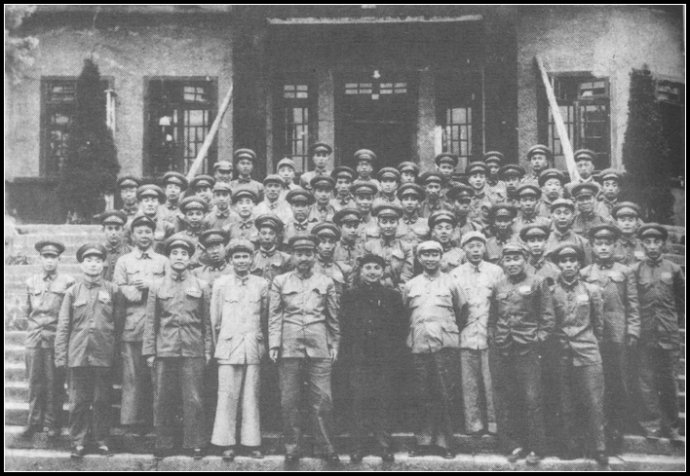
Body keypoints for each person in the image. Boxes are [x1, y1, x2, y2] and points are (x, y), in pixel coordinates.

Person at [269, 235, 341, 464]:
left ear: (315, 255)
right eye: (299, 254)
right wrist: (274, 344)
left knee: (323, 399)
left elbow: (333, 317)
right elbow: (274, 316)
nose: (304, 258)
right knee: (289, 400)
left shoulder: (326, 282)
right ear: (293, 256)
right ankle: (292, 447)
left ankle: (326, 446)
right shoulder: (280, 281)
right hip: (289, 346)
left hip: (319, 346)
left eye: (308, 254)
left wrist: (334, 343)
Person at [143, 236, 212, 460]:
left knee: (194, 398)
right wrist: (150, 351)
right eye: (175, 253)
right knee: (163, 397)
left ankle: (196, 442)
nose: (179, 257)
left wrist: (208, 349)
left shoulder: (201, 286)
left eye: (184, 253)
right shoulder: (157, 286)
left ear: (189, 257)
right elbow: (151, 322)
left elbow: (207, 322)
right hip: (165, 349)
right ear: (169, 257)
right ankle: (164, 442)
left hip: (193, 349)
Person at [55, 244, 124, 459]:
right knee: (78, 401)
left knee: (102, 399)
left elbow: (119, 325)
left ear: (103, 263)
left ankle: (102, 440)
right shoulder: (72, 292)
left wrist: (116, 354)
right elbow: (64, 325)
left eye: (97, 260)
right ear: (81, 264)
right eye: (88, 260)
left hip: (103, 354)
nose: (93, 264)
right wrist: (61, 355)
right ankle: (78, 441)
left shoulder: (113, 290)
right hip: (78, 354)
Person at [489, 243, 553, 465]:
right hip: (505, 349)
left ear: (525, 259)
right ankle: (515, 445)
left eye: (517, 258)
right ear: (503, 262)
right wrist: (497, 341)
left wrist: (538, 340)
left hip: (528, 349)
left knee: (532, 398)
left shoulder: (537, 282)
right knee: (510, 398)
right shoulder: (498, 286)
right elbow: (493, 319)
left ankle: (537, 447)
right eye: (508, 259)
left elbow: (547, 318)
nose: (513, 263)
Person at [404, 240, 468, 459]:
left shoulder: (452, 283)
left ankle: (445, 443)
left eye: (434, 254)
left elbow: (462, 312)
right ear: (419, 258)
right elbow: (406, 314)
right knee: (421, 394)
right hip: (419, 345)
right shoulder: (411, 285)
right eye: (425, 254)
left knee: (444, 394)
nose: (430, 258)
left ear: (441, 257)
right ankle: (422, 442)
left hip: (444, 346)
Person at [341, 254, 406, 463]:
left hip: (384, 357)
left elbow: (400, 327)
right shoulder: (350, 295)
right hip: (358, 357)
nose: (372, 272)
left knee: (383, 400)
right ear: (360, 271)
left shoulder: (392, 296)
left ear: (382, 271)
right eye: (367, 268)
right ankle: (358, 446)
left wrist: (393, 353)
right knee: (358, 401)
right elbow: (344, 327)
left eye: (376, 268)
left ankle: (383, 445)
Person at [581, 224, 640, 453]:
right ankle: (597, 432)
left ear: (615, 245)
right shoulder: (585, 273)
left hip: (618, 335)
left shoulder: (625, 272)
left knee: (618, 383)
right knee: (596, 385)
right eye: (599, 244)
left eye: (608, 243)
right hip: (594, 336)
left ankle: (616, 431)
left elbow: (633, 304)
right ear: (593, 247)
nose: (603, 247)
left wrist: (633, 330)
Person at [210, 239, 270, 460]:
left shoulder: (261, 284)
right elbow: (214, 318)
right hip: (228, 346)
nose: (242, 260)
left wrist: (260, 342)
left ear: (252, 259)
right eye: (237, 257)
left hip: (253, 346)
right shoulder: (221, 284)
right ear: (230, 259)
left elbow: (265, 317)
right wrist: (219, 345)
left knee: (251, 397)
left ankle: (251, 442)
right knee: (227, 396)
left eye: (246, 256)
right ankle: (226, 442)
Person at [550, 244, 608, 466]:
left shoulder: (591, 290)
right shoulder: (552, 291)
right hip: (561, 351)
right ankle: (569, 445)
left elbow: (599, 324)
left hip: (587, 351)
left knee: (594, 401)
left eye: (572, 261)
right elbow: (551, 321)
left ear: (579, 264)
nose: (568, 265)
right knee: (565, 401)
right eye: (563, 261)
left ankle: (599, 447)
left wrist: (590, 343)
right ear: (558, 265)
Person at [113, 215, 168, 435]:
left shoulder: (163, 261)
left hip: (158, 327)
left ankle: (157, 420)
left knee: (157, 376)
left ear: (153, 234)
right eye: (140, 232)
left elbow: (171, 287)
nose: (144, 236)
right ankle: (130, 421)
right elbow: (118, 290)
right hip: (133, 325)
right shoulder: (124, 261)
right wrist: (136, 292)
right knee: (132, 375)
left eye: (148, 231)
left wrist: (151, 285)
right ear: (133, 235)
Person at [633, 223, 684, 443]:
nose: (652, 246)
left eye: (656, 242)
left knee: (668, 381)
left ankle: (671, 426)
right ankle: (651, 425)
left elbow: (681, 301)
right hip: (645, 334)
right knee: (646, 382)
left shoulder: (673, 269)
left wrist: (673, 323)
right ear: (642, 244)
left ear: (663, 244)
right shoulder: (636, 270)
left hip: (668, 335)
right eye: (648, 242)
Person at [21, 240, 75, 440]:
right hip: (34, 338)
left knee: (54, 382)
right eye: (46, 257)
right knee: (35, 382)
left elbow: (68, 313)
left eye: (53, 257)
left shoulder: (68, 282)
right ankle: (34, 422)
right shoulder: (31, 282)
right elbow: (27, 311)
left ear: (59, 259)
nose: (49, 261)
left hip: (54, 338)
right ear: (40, 258)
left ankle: (53, 423)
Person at [452, 231, 503, 436]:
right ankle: (473, 425)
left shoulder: (496, 271)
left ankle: (493, 424)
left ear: (485, 248)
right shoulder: (455, 274)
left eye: (479, 246)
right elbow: (454, 306)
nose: (475, 250)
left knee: (491, 382)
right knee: (469, 383)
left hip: (489, 334)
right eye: (470, 246)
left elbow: (501, 303)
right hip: (465, 335)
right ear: (464, 249)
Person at [362, 204, 414, 291]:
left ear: (398, 223)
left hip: (398, 292)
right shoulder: (369, 246)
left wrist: (396, 293)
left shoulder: (406, 247)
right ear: (378, 223)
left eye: (392, 222)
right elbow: (365, 272)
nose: (388, 226)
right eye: (384, 222)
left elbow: (406, 275)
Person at [126, 184, 174, 252]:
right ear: (140, 203)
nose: (150, 204)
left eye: (153, 200)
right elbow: (125, 247)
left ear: (159, 203)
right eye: (146, 201)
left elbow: (170, 249)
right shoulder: (130, 225)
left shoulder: (167, 226)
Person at [545, 198, 591, 265]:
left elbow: (587, 269)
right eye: (558, 213)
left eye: (566, 213)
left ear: (572, 216)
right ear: (552, 216)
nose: (562, 217)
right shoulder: (545, 241)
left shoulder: (582, 242)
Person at [312, 222, 350, 296]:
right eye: (323, 242)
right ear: (316, 245)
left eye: (331, 242)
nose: (327, 246)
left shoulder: (342, 269)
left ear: (335, 245)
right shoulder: (309, 267)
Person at [252, 214, 292, 281]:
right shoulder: (252, 257)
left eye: (271, 233)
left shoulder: (286, 259)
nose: (267, 237)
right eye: (263, 233)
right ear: (258, 235)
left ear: (276, 236)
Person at [99, 210, 131, 282]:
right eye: (110, 228)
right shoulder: (98, 252)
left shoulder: (131, 252)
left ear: (123, 230)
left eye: (117, 228)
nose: (113, 232)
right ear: (103, 230)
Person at [333, 208, 365, 277]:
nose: (353, 230)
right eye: (349, 227)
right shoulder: (334, 248)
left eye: (355, 227)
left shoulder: (362, 249)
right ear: (339, 227)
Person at [612, 202, 645, 266]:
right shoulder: (612, 245)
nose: (627, 223)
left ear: (637, 223)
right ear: (616, 223)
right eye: (623, 220)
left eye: (630, 220)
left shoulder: (643, 244)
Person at [397, 183, 429, 247]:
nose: (409, 203)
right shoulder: (396, 223)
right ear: (401, 203)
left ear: (419, 203)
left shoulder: (426, 223)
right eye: (406, 199)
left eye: (413, 199)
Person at [465, 161, 494, 227]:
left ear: (486, 179)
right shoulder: (464, 199)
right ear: (469, 180)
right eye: (475, 177)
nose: (478, 180)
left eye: (481, 177)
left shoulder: (492, 199)